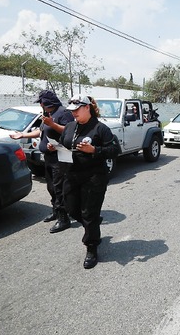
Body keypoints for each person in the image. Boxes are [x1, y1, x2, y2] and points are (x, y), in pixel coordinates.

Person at [55, 95, 119, 269]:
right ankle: (93, 225)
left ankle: (91, 246)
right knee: (71, 209)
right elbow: (63, 143)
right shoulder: (69, 127)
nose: (73, 113)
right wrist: (55, 147)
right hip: (72, 175)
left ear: (87, 108)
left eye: (76, 110)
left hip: (94, 178)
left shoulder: (100, 128)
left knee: (89, 213)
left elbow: (115, 150)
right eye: (72, 111)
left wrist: (94, 150)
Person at [10, 89, 74, 231]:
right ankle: (56, 211)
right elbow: (41, 131)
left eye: (41, 102)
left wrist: (53, 125)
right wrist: (22, 135)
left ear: (47, 102)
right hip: (49, 157)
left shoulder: (63, 113)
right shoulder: (47, 114)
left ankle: (64, 218)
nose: (40, 105)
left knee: (58, 188)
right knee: (51, 186)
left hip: (60, 157)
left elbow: (70, 132)